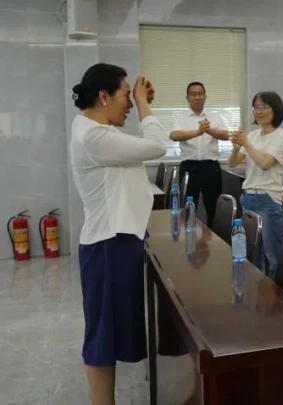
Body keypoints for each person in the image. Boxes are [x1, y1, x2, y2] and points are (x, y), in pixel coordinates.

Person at [69, 63, 166, 405]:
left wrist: (139, 102)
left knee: (108, 336)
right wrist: (144, 106)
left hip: (117, 242)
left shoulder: (96, 130)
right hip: (107, 246)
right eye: (126, 95)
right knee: (101, 340)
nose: (130, 103)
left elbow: (139, 149)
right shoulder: (94, 137)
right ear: (103, 96)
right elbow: (157, 146)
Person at [228, 91, 283, 281]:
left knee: (273, 256)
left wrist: (246, 143)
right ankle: (255, 291)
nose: (259, 111)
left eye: (264, 107)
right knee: (252, 254)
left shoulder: (281, 136)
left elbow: (264, 164)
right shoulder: (253, 135)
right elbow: (232, 163)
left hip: (268, 200)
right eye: (256, 107)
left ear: (275, 109)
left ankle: (276, 295)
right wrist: (236, 148)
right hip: (248, 198)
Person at [169, 82, 229, 228]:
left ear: (205, 96)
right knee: (188, 207)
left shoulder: (214, 116)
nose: (197, 97)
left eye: (200, 94)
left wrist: (208, 130)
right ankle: (188, 236)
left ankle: (214, 238)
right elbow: (174, 135)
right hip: (189, 167)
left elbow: (226, 135)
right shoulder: (181, 117)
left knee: (213, 207)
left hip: (211, 167)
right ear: (187, 98)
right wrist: (198, 132)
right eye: (193, 94)